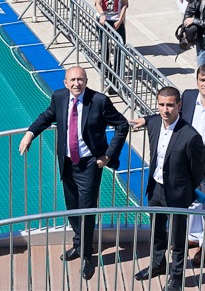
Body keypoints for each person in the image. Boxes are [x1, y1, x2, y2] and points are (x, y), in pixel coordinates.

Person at [18, 67, 129, 280]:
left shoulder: (99, 101)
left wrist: (107, 155)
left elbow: (122, 125)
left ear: (86, 81)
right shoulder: (59, 97)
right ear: (65, 82)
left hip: (89, 164)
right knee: (72, 207)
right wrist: (30, 133)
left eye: (80, 79)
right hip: (67, 163)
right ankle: (79, 244)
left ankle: (87, 255)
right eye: (72, 80)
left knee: (87, 209)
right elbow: (47, 116)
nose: (77, 83)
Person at [130, 66, 205, 266]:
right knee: (191, 203)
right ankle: (192, 236)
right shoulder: (188, 98)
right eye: (202, 80)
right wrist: (146, 120)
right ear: (197, 81)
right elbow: (169, 114)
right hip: (187, 166)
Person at [134, 87, 205, 291]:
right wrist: (144, 119)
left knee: (178, 237)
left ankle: (176, 277)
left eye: (170, 105)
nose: (165, 110)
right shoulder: (155, 123)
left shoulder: (191, 136)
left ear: (179, 106)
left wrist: (186, 191)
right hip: (155, 188)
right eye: (162, 105)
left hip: (177, 193)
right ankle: (158, 264)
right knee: (157, 230)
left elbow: (197, 171)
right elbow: (152, 119)